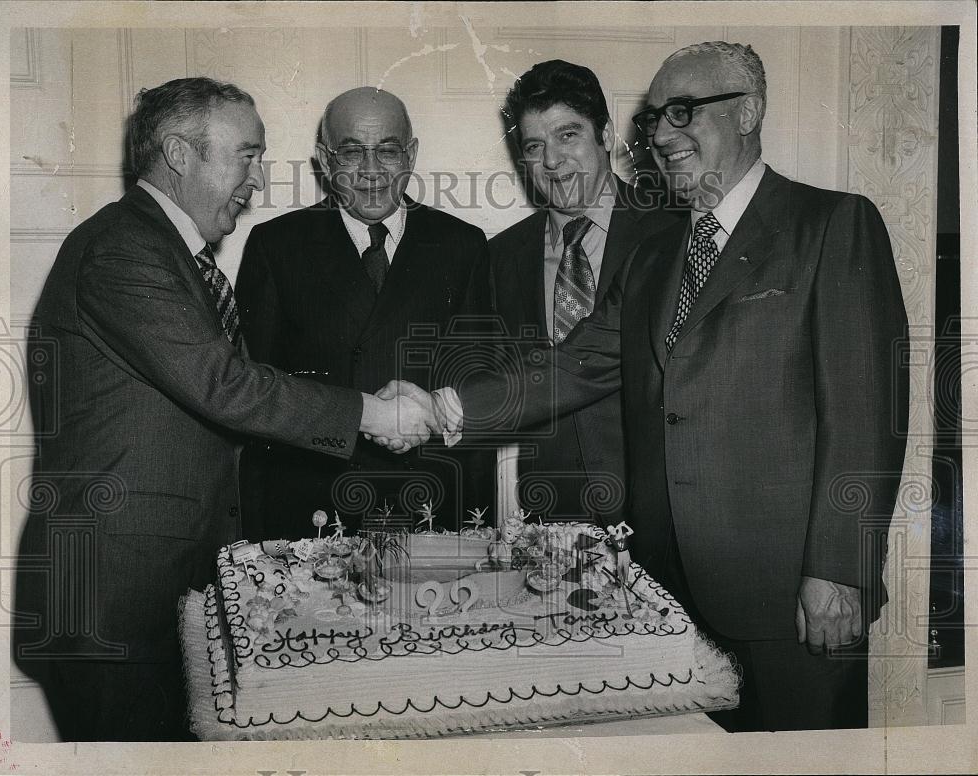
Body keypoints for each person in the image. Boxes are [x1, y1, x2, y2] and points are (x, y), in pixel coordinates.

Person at [376, 42, 909, 732]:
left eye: (682, 112)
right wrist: (442, 408)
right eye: (655, 116)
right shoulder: (659, 250)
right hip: (664, 588)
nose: (659, 134)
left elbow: (866, 416)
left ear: (749, 111)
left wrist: (841, 569)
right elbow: (577, 363)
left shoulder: (831, 225)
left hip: (791, 595)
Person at [12, 77, 430, 742]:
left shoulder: (165, 250)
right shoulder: (124, 248)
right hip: (112, 607)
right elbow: (225, 385)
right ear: (180, 155)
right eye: (247, 155)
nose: (258, 180)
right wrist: (371, 415)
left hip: (146, 594)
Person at [234, 87, 492, 540]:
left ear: (411, 154)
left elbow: (481, 381)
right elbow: (257, 390)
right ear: (324, 159)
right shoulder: (276, 246)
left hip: (432, 506)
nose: (371, 171)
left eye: (388, 151)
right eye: (351, 152)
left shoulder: (462, 245)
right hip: (310, 506)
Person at [490, 60, 681, 522]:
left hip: (662, 509)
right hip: (549, 512)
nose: (552, 161)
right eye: (534, 145)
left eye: (568, 135)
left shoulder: (673, 233)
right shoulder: (499, 256)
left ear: (607, 134)